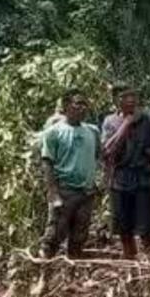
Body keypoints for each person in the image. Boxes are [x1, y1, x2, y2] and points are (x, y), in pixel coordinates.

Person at [101, 84, 150, 261]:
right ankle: (130, 263)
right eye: (125, 96)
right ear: (116, 100)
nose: (131, 100)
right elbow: (108, 152)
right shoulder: (110, 122)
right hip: (119, 182)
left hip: (144, 181)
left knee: (148, 230)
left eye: (133, 96)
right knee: (124, 230)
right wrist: (127, 123)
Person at [40, 89, 100, 258]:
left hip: (87, 192)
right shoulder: (54, 132)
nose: (83, 108)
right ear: (66, 106)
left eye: (85, 104)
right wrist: (53, 193)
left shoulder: (93, 131)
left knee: (79, 235)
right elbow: (47, 162)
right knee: (54, 235)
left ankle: (73, 268)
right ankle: (44, 269)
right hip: (65, 191)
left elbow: (95, 156)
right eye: (78, 103)